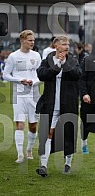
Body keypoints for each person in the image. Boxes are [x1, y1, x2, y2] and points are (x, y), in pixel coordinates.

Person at [35, 35, 81, 177]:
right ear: (56, 45)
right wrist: (56, 67)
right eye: (64, 44)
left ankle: (68, 163)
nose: (67, 46)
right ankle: (43, 165)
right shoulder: (47, 60)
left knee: (68, 132)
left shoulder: (73, 60)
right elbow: (41, 75)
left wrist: (65, 63)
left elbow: (78, 74)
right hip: (50, 103)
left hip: (69, 104)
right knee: (46, 133)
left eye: (68, 44)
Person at [3, 30, 41, 163]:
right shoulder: (13, 56)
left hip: (34, 93)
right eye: (30, 40)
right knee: (19, 123)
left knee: (33, 125)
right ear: (22, 40)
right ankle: (20, 154)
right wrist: (20, 81)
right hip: (18, 94)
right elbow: (5, 75)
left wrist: (34, 82)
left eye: (33, 40)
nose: (32, 42)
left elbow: (40, 75)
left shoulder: (36, 55)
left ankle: (29, 150)